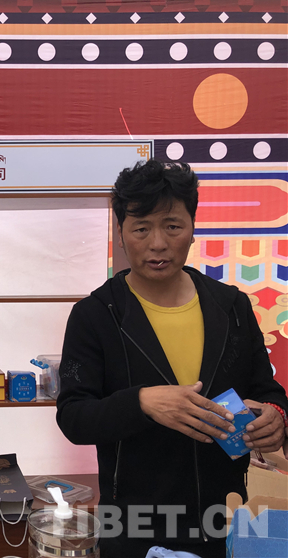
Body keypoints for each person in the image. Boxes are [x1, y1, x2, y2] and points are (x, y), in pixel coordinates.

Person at [55, 158, 288, 558]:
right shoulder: (95, 315)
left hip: (226, 518)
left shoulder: (231, 306)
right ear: (121, 234)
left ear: (193, 229)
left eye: (172, 226)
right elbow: (74, 416)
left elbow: (266, 390)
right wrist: (141, 402)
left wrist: (276, 417)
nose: (158, 243)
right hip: (134, 523)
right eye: (141, 228)